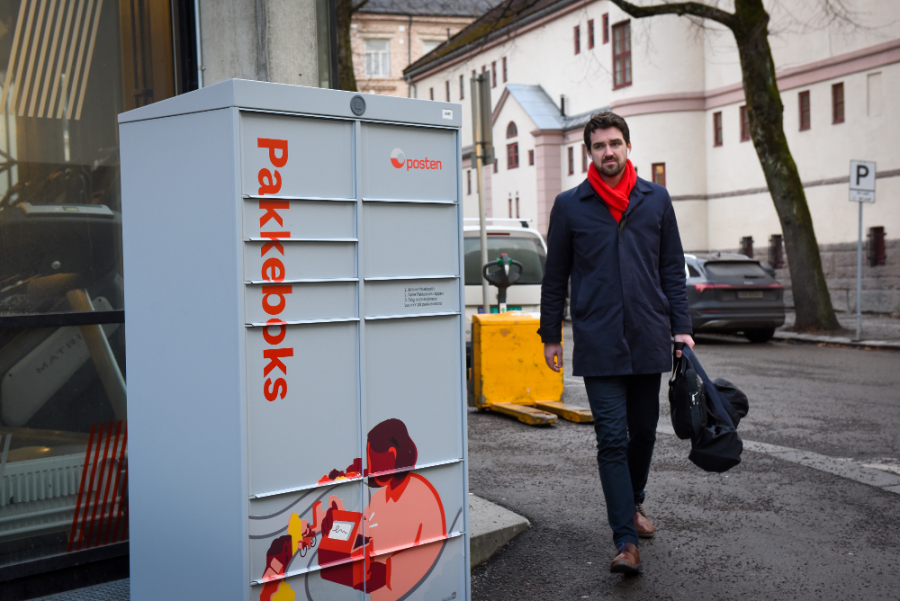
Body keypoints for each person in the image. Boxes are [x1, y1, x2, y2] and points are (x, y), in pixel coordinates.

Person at [538, 111, 694, 574]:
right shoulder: (570, 205)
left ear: (628, 147)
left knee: (644, 433)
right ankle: (625, 540)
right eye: (599, 146)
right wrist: (551, 335)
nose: (608, 152)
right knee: (611, 438)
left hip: (648, 335)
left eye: (615, 144)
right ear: (588, 152)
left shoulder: (656, 200)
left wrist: (681, 327)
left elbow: (672, 268)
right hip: (599, 340)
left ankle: (635, 501)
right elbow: (555, 277)